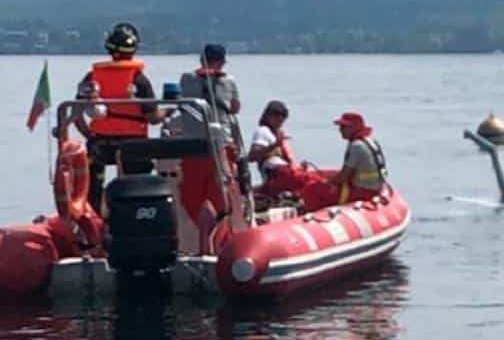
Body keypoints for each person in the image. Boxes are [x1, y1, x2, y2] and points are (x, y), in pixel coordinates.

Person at [70, 23, 165, 214]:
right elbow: (153, 117)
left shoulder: (92, 77)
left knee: (92, 189)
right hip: (135, 144)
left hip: (100, 142)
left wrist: (89, 134)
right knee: (139, 188)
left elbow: (76, 114)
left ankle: (94, 220)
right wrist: (168, 112)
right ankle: (137, 216)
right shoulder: (139, 79)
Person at [172, 44, 242, 222]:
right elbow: (235, 108)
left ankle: (201, 227)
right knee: (222, 191)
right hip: (221, 144)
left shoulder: (186, 79)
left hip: (193, 145)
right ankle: (220, 230)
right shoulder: (229, 81)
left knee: (192, 192)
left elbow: (180, 103)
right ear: (222, 61)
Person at [299, 112, 387, 211]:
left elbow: (343, 177)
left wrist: (326, 182)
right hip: (374, 188)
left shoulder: (356, 146)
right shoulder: (370, 141)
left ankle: (309, 215)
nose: (340, 130)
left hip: (362, 191)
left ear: (355, 127)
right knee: (320, 183)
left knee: (312, 190)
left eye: (344, 127)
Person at [247, 100, 318, 198]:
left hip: (287, 173)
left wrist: (300, 167)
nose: (280, 118)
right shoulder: (263, 131)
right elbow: (252, 156)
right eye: (276, 115)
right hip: (277, 175)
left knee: (317, 177)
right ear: (267, 116)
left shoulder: (278, 133)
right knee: (314, 180)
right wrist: (275, 144)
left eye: (283, 115)